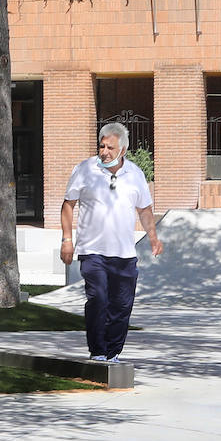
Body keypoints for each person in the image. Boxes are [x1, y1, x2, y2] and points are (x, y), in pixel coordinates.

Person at [59, 122, 163, 363]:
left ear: (123, 150)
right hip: (91, 251)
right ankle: (97, 351)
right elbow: (68, 205)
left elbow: (145, 210)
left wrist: (154, 238)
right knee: (98, 298)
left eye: (110, 147)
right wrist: (67, 240)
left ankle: (113, 353)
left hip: (125, 254)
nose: (104, 151)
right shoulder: (85, 169)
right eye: (101, 146)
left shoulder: (135, 174)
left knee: (122, 306)